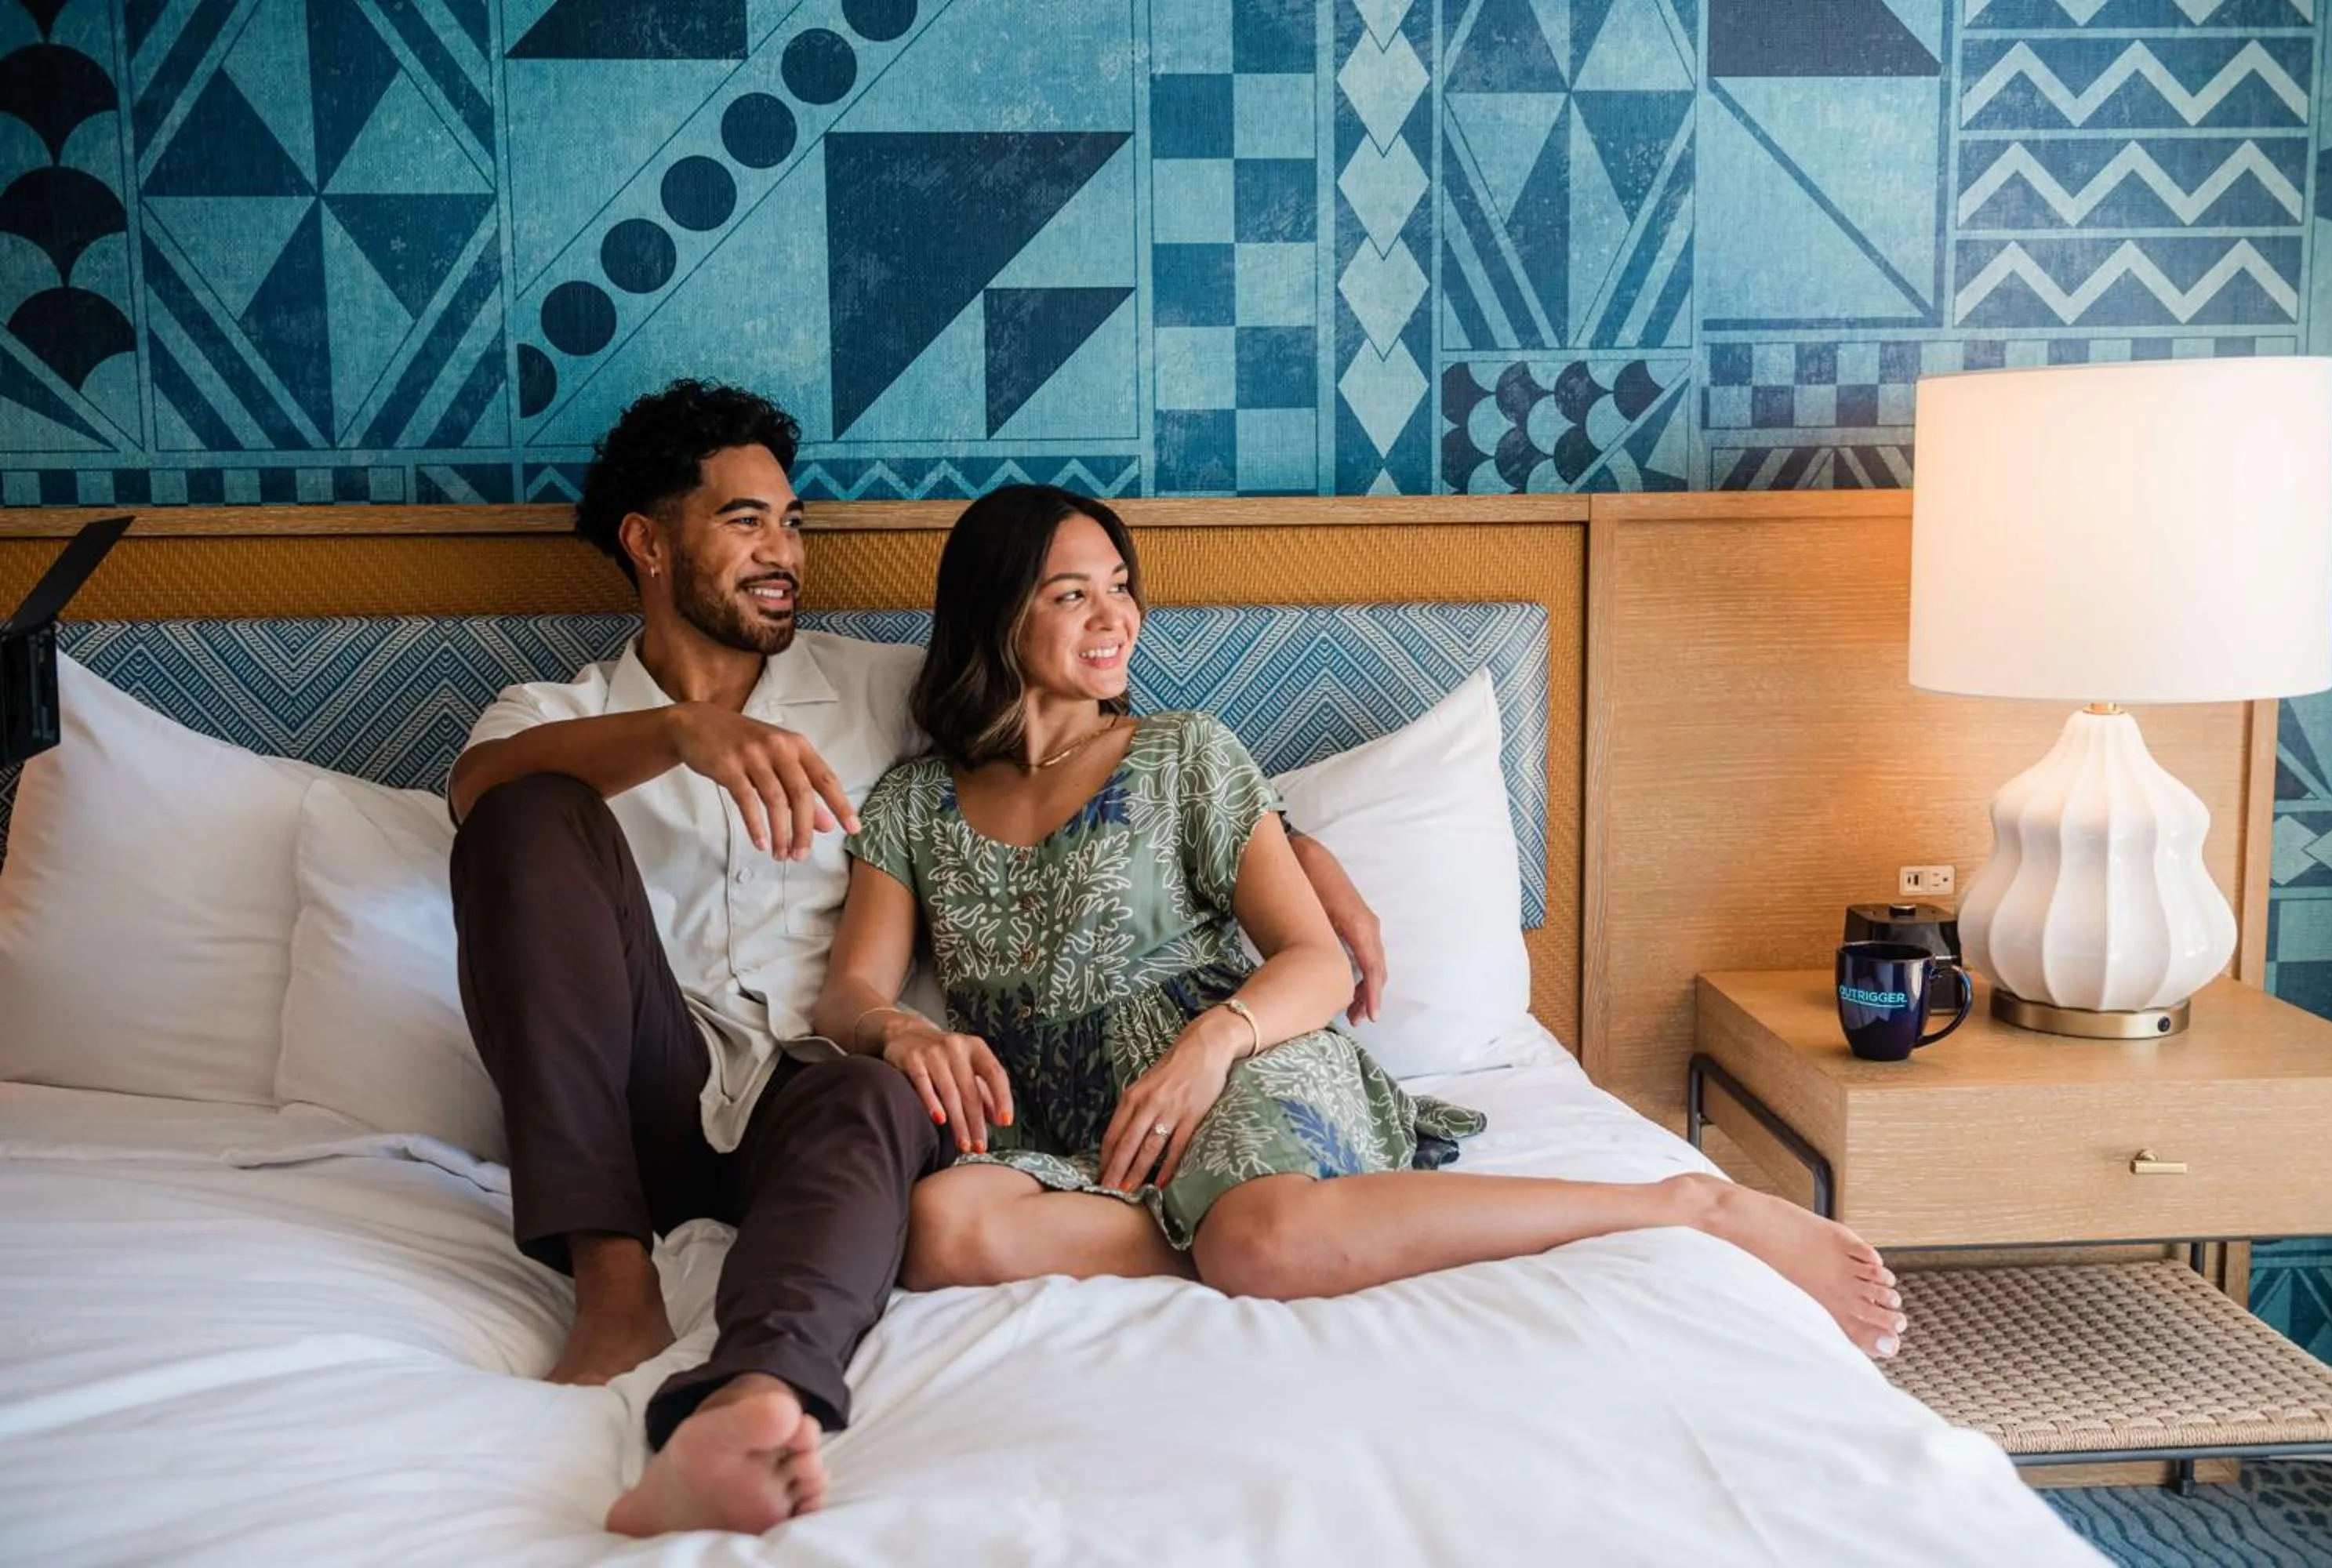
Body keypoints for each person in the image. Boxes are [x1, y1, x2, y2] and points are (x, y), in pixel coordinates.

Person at [445, 383, 1391, 1537]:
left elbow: (1083, 725)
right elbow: (477, 794)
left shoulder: (876, 688)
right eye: (746, 522)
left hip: (820, 1089)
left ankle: (749, 1401)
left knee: (872, 1087)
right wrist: (681, 734)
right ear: (648, 542)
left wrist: (1304, 847)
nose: (783, 552)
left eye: (792, 523)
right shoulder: (558, 714)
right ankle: (615, 1285)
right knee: (526, 816)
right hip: (638, 1092)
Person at [814, 486, 1911, 1358]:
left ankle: (1687, 1207)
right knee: (944, 1228)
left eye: (1120, 586)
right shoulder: (916, 805)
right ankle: (1231, 1229)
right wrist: (904, 1032)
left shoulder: (1182, 752)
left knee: (1266, 1238)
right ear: (995, 612)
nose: (1117, 619)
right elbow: (850, 995)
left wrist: (1212, 1046)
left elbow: (1319, 960)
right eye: (1071, 595)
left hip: (1243, 1061)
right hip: (1067, 1121)